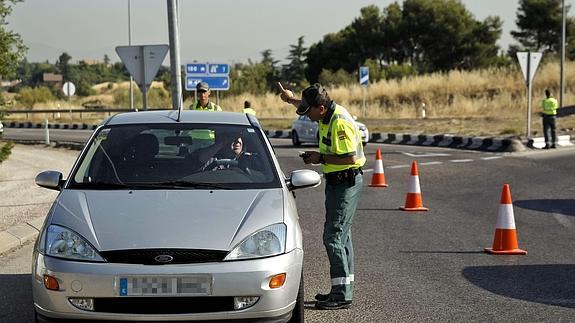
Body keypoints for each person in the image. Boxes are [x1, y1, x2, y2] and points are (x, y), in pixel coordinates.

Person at [278, 82, 366, 310]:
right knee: (342, 236)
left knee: (333, 237)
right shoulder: (325, 114)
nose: (307, 117)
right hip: (337, 182)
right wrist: (291, 99)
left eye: (310, 112)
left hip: (345, 181)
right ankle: (343, 288)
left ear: (322, 108)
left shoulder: (340, 123)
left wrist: (320, 158)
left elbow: (349, 158)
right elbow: (305, 106)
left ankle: (341, 295)